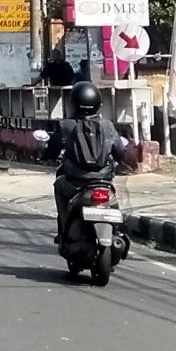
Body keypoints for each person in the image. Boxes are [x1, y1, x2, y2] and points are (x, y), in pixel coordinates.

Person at [52, 79, 126, 244]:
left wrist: (46, 155)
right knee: (113, 198)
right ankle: (117, 232)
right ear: (98, 104)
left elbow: (52, 148)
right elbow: (120, 152)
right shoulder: (107, 126)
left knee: (58, 185)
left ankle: (63, 230)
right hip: (104, 181)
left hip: (75, 182)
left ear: (73, 103)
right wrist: (119, 161)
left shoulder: (66, 126)